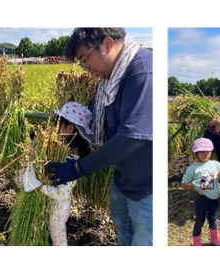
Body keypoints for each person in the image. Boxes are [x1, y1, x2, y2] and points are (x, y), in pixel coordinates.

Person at [46, 28, 153, 246]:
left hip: (147, 188)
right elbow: (91, 115)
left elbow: (131, 137)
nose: (86, 69)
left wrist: (77, 169)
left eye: (85, 59)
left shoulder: (142, 72)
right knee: (124, 235)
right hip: (124, 179)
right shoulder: (108, 80)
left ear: (107, 44)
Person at [21, 102, 93, 246]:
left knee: (59, 240)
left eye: (59, 124)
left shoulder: (73, 166)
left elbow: (61, 195)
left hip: (58, 212)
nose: (55, 128)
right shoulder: (65, 153)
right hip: (52, 206)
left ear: (70, 128)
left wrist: (39, 186)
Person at [181, 138, 220, 246]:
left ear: (211, 152)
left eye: (208, 151)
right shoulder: (193, 168)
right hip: (202, 199)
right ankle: (197, 243)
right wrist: (194, 184)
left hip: (215, 198)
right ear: (196, 153)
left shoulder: (216, 164)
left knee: (213, 218)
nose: (205, 153)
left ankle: (214, 239)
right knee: (200, 221)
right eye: (201, 151)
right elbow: (183, 184)